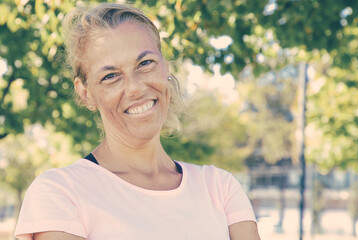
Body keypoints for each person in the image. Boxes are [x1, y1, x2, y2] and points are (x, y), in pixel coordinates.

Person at [14, 3, 261, 240]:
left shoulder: (220, 188)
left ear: (165, 67)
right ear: (85, 92)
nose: (135, 88)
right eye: (110, 76)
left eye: (145, 64)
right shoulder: (61, 192)